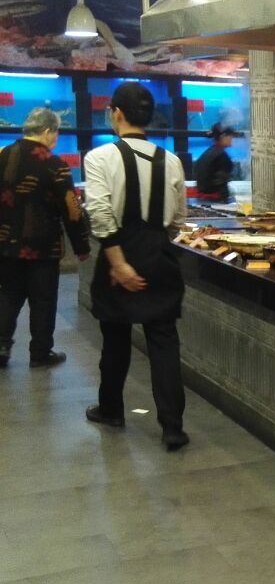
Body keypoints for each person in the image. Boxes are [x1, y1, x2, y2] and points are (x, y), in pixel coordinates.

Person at [83, 82, 190, 451]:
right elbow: (178, 220)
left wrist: (118, 264)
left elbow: (100, 214)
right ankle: (173, 428)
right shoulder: (171, 160)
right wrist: (155, 244)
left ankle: (111, 409)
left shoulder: (99, 158)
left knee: (115, 338)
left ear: (116, 113)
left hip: (119, 256)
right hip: (160, 258)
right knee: (163, 341)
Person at [0, 108, 91, 368]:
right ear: (48, 131)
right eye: (56, 133)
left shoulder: (3, 155)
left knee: (8, 295)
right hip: (43, 246)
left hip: (5, 244)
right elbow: (71, 210)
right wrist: (81, 246)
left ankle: (1, 347)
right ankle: (40, 354)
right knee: (43, 300)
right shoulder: (54, 164)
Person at [193, 121, 241, 203]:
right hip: (215, 201)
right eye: (230, 136)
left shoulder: (209, 152)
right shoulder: (221, 157)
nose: (232, 139)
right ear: (223, 136)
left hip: (202, 200)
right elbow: (220, 185)